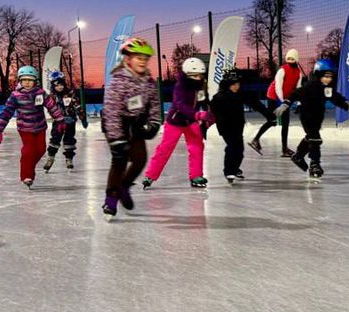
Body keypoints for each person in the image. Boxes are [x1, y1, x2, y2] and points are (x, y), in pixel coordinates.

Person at [101, 38, 160, 215]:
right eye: (137, 57)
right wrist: (116, 139)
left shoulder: (149, 82)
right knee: (119, 161)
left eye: (145, 58)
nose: (142, 60)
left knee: (140, 159)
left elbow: (155, 104)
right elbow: (111, 111)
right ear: (127, 60)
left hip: (137, 125)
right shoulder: (118, 82)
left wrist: (154, 122)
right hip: (117, 124)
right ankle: (111, 199)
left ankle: (124, 187)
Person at [142, 57, 212, 189]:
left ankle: (196, 176)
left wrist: (208, 115)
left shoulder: (201, 85)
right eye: (196, 75)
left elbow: (203, 101)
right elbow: (180, 105)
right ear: (188, 75)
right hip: (176, 121)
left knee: (197, 147)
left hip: (191, 121)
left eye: (201, 75)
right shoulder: (180, 86)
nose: (199, 77)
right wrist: (197, 114)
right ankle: (150, 175)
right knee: (165, 148)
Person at [0, 65, 66, 188]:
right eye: (24, 80)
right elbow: (6, 113)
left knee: (41, 150)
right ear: (20, 81)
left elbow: (52, 107)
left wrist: (60, 120)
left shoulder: (41, 93)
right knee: (28, 151)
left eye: (30, 80)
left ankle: (28, 166)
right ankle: (27, 175)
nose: (27, 82)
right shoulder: (15, 96)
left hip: (40, 127)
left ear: (35, 81)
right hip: (25, 128)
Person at [286, 58, 349, 179]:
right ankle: (314, 164)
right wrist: (287, 102)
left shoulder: (326, 89)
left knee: (311, 137)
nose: (329, 79)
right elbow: (296, 93)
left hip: (317, 116)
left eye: (330, 77)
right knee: (315, 139)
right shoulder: (310, 86)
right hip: (306, 114)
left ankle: (298, 156)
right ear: (318, 74)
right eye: (326, 76)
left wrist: (345, 104)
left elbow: (335, 98)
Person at [210, 68, 273, 184]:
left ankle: (235, 168)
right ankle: (229, 170)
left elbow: (256, 104)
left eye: (238, 84)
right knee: (232, 147)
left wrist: (268, 114)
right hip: (225, 128)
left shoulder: (240, 95)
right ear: (228, 85)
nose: (236, 87)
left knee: (239, 150)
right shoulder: (219, 97)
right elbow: (212, 111)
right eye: (234, 84)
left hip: (238, 127)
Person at [249, 49, 303, 157]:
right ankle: (255, 140)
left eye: (292, 58)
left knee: (285, 124)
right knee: (272, 120)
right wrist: (282, 102)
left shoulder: (299, 73)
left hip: (286, 99)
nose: (290, 60)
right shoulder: (282, 70)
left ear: (296, 59)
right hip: (273, 96)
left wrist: (298, 102)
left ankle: (284, 149)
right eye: (288, 58)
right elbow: (278, 87)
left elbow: (298, 89)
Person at [44, 71, 88, 171]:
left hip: (70, 122)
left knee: (69, 140)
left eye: (61, 85)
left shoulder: (70, 94)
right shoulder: (52, 97)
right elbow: (50, 109)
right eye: (57, 85)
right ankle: (51, 157)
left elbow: (77, 105)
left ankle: (69, 158)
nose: (59, 87)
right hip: (58, 123)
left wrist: (83, 118)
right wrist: (57, 118)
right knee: (55, 139)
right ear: (53, 87)